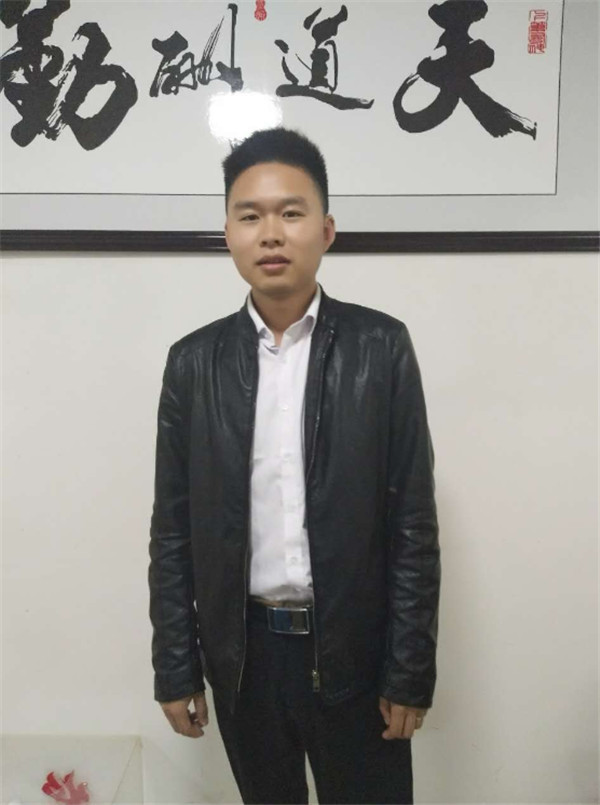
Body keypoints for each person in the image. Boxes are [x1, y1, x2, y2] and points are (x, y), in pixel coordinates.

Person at [148, 126, 441, 805]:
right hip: (244, 660)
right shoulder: (193, 364)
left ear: (326, 229)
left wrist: (408, 670)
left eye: (291, 212)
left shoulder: (381, 348)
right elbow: (173, 530)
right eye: (250, 216)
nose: (271, 234)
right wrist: (176, 665)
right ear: (228, 233)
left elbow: (412, 525)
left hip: (355, 655)